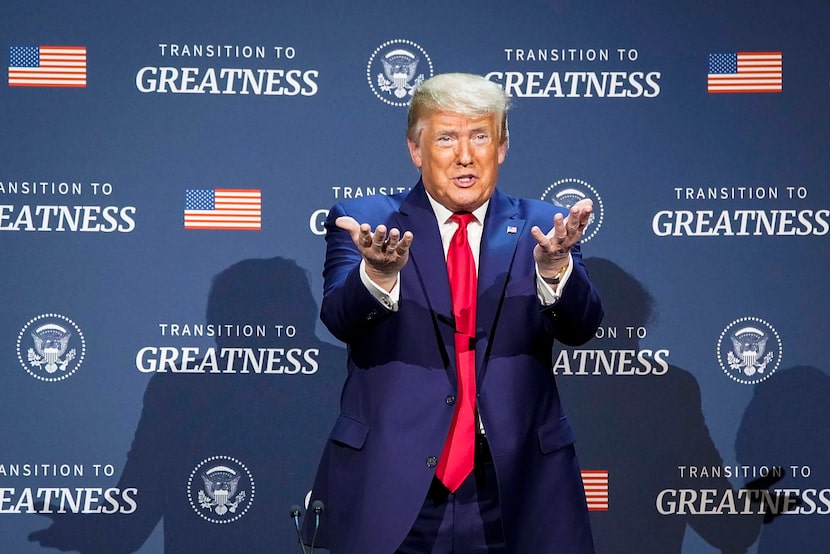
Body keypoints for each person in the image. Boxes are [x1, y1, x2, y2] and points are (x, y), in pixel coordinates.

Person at [302, 72, 604, 553]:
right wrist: (378, 276)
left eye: (480, 136)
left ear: (501, 147)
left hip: (515, 485)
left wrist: (555, 270)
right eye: (446, 138)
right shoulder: (368, 222)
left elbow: (581, 327)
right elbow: (339, 318)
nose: (465, 155)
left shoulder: (545, 228)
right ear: (416, 150)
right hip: (395, 482)